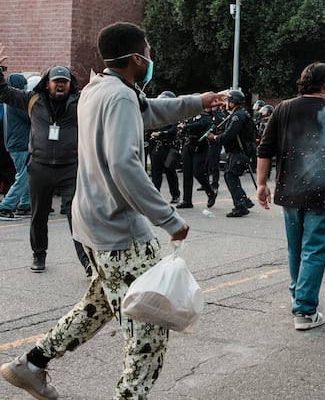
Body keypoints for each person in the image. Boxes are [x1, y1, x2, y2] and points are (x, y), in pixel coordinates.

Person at [0, 21, 224, 400]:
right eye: (148, 51)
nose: (151, 57)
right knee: (149, 328)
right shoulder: (119, 96)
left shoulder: (98, 89)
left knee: (98, 304)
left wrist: (197, 101)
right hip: (119, 231)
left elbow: (148, 111)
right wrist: (168, 218)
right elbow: (124, 164)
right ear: (137, 58)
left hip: (91, 223)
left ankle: (32, 364)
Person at [255, 62, 325, 330]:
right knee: (314, 249)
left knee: (296, 248)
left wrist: (261, 184)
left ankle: (298, 296)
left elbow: (264, 149)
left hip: (290, 191)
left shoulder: (283, 108)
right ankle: (304, 310)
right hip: (323, 192)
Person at [0, 58, 91, 274]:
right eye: (56, 81)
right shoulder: (33, 100)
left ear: (70, 84)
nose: (60, 85)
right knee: (38, 215)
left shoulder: (80, 103)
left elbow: (102, 102)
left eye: (65, 81)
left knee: (76, 215)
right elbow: (4, 93)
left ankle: (87, 260)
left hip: (70, 168)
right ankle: (38, 255)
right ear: (47, 83)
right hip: (39, 167)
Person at [207, 89, 256, 217]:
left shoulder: (237, 116)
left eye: (228, 100)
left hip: (238, 152)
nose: (226, 103)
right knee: (230, 175)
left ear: (233, 101)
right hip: (237, 151)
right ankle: (244, 200)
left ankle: (240, 206)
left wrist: (216, 138)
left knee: (230, 176)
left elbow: (230, 134)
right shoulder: (238, 114)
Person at [0, 73, 31, 219]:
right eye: (24, 83)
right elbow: (30, 117)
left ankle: (25, 205)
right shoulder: (17, 103)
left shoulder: (11, 101)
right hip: (20, 144)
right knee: (23, 176)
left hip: (15, 144)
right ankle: (5, 206)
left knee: (25, 175)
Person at [175, 107, 217, 209]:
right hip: (188, 144)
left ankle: (210, 192)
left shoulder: (205, 116)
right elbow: (181, 127)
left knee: (198, 172)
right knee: (187, 173)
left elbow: (201, 125)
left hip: (200, 146)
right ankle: (187, 200)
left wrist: (186, 127)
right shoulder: (189, 116)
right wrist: (182, 128)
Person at [147, 91, 181, 204]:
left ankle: (175, 195)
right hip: (157, 147)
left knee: (170, 173)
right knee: (155, 174)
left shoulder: (175, 116)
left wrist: (161, 134)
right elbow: (150, 129)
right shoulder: (157, 116)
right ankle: (155, 197)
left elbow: (174, 130)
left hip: (169, 148)